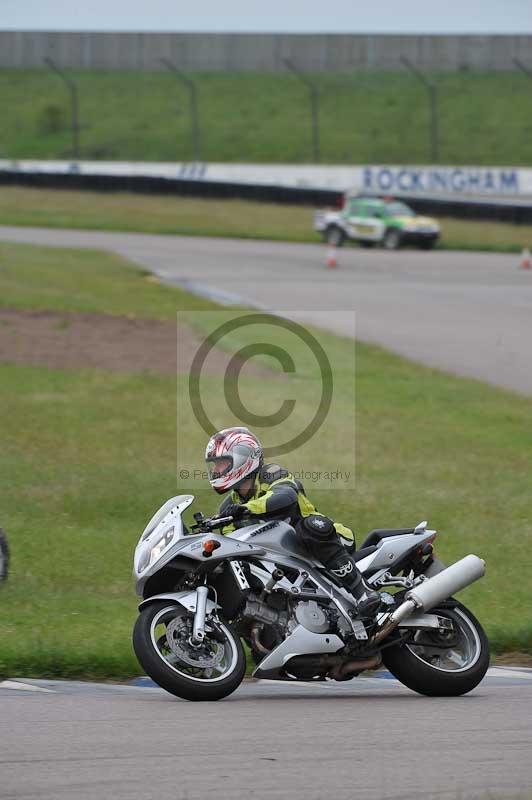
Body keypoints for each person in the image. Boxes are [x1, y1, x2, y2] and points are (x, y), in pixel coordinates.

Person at [205, 426, 381, 618]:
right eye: (214, 465)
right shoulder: (229, 506)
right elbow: (232, 544)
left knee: (309, 527)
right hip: (285, 561)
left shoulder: (271, 473)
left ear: (243, 459)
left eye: (221, 463)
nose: (216, 470)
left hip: (329, 541)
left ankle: (362, 591)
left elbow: (285, 496)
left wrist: (247, 509)